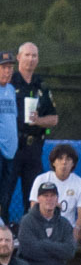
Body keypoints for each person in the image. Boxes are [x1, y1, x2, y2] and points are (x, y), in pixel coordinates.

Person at [30, 144, 81, 265]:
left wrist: (76, 230)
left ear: (73, 163)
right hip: (45, 227)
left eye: (68, 159)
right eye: (60, 158)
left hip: (69, 228)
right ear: (53, 162)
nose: (64, 162)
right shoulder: (41, 180)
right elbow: (34, 208)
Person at [12, 43, 60, 228]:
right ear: (19, 57)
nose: (30, 59)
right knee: (5, 190)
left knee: (32, 192)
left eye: (34, 56)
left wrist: (38, 120)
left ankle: (28, 230)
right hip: (11, 146)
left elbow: (54, 119)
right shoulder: (9, 83)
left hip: (34, 147)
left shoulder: (42, 86)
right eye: (27, 55)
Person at [0, 51, 19, 226]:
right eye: (4, 67)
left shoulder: (11, 90)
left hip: (10, 150)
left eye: (10, 68)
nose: (8, 71)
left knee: (5, 192)